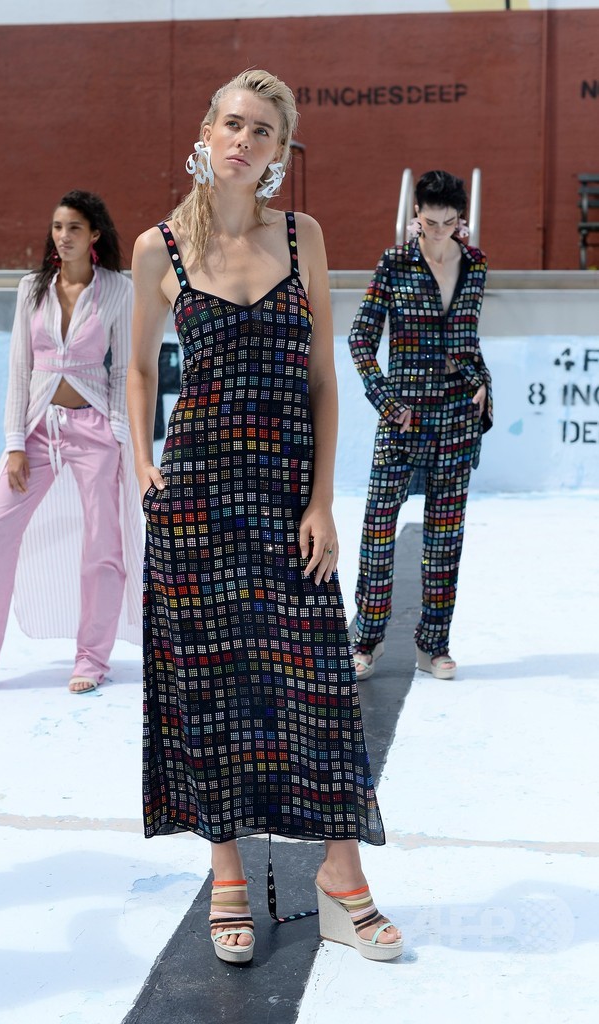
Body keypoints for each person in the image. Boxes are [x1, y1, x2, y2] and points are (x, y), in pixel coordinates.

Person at [127, 69, 402, 965]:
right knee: (212, 686)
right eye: (233, 124)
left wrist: (323, 499)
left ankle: (341, 876)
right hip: (196, 502)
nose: (243, 141)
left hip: (286, 500)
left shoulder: (302, 235)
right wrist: (143, 463)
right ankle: (228, 873)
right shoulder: (158, 248)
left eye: (263, 132)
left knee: (318, 682)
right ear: (206, 132)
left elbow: (323, 378)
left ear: (279, 153)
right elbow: (139, 369)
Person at [0, 190, 142, 696]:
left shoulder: (118, 290)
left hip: (95, 430)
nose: (63, 236)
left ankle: (91, 660)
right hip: (36, 430)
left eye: (74, 227)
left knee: (104, 545)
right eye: (57, 227)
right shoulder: (31, 288)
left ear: (94, 234)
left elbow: (123, 370)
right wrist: (14, 443)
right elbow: (19, 368)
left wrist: (118, 435)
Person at [348, 170, 492, 682]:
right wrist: (386, 401)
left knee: (445, 539)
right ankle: (367, 639)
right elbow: (360, 339)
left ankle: (434, 644)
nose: (438, 232)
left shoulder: (475, 265)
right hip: (403, 419)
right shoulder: (394, 263)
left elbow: (467, 340)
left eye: (448, 223)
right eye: (430, 222)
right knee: (377, 531)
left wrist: (482, 382)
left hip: (457, 417)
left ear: (460, 219)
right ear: (416, 215)